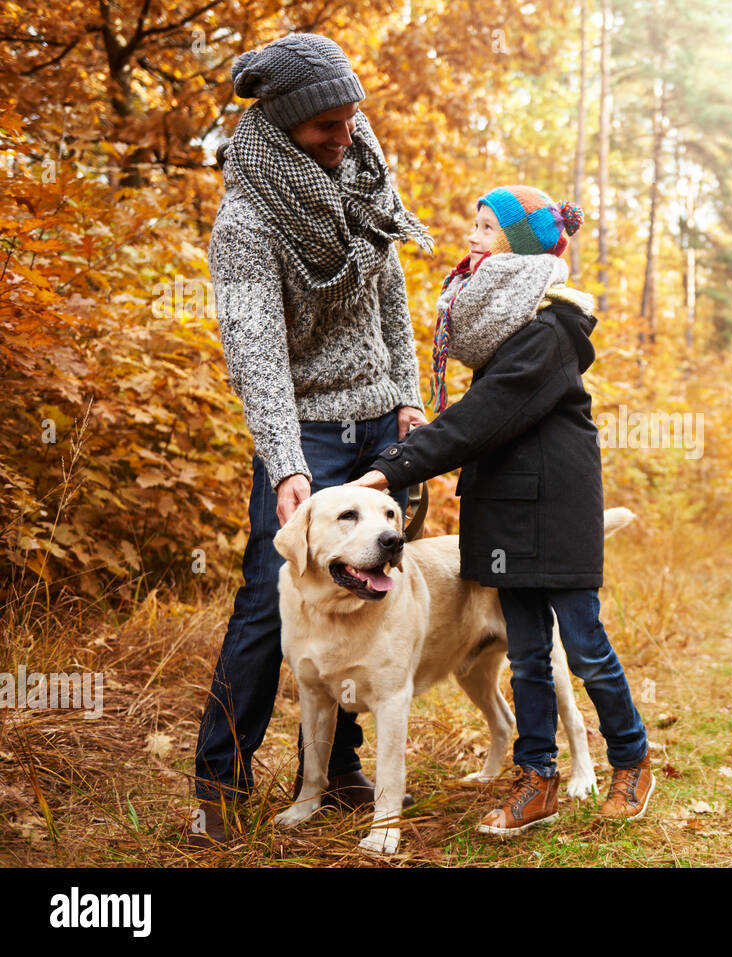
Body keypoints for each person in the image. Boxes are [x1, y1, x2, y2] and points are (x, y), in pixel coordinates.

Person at [190, 32, 433, 846]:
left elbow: (391, 295)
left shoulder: (364, 172)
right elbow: (255, 354)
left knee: (370, 589)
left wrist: (407, 396)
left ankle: (337, 769)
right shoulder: (247, 220)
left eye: (351, 117)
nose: (346, 134)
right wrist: (286, 463)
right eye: (327, 124)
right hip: (307, 433)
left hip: (377, 427)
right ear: (287, 123)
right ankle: (218, 783)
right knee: (273, 594)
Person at [350, 184, 653, 835]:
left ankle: (631, 760)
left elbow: (479, 420)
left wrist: (391, 468)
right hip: (506, 514)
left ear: (516, 246)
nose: (473, 234)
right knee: (526, 656)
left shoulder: (547, 333)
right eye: (475, 223)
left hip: (559, 512)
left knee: (585, 646)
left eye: (487, 227)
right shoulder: (507, 326)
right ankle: (537, 778)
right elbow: (483, 426)